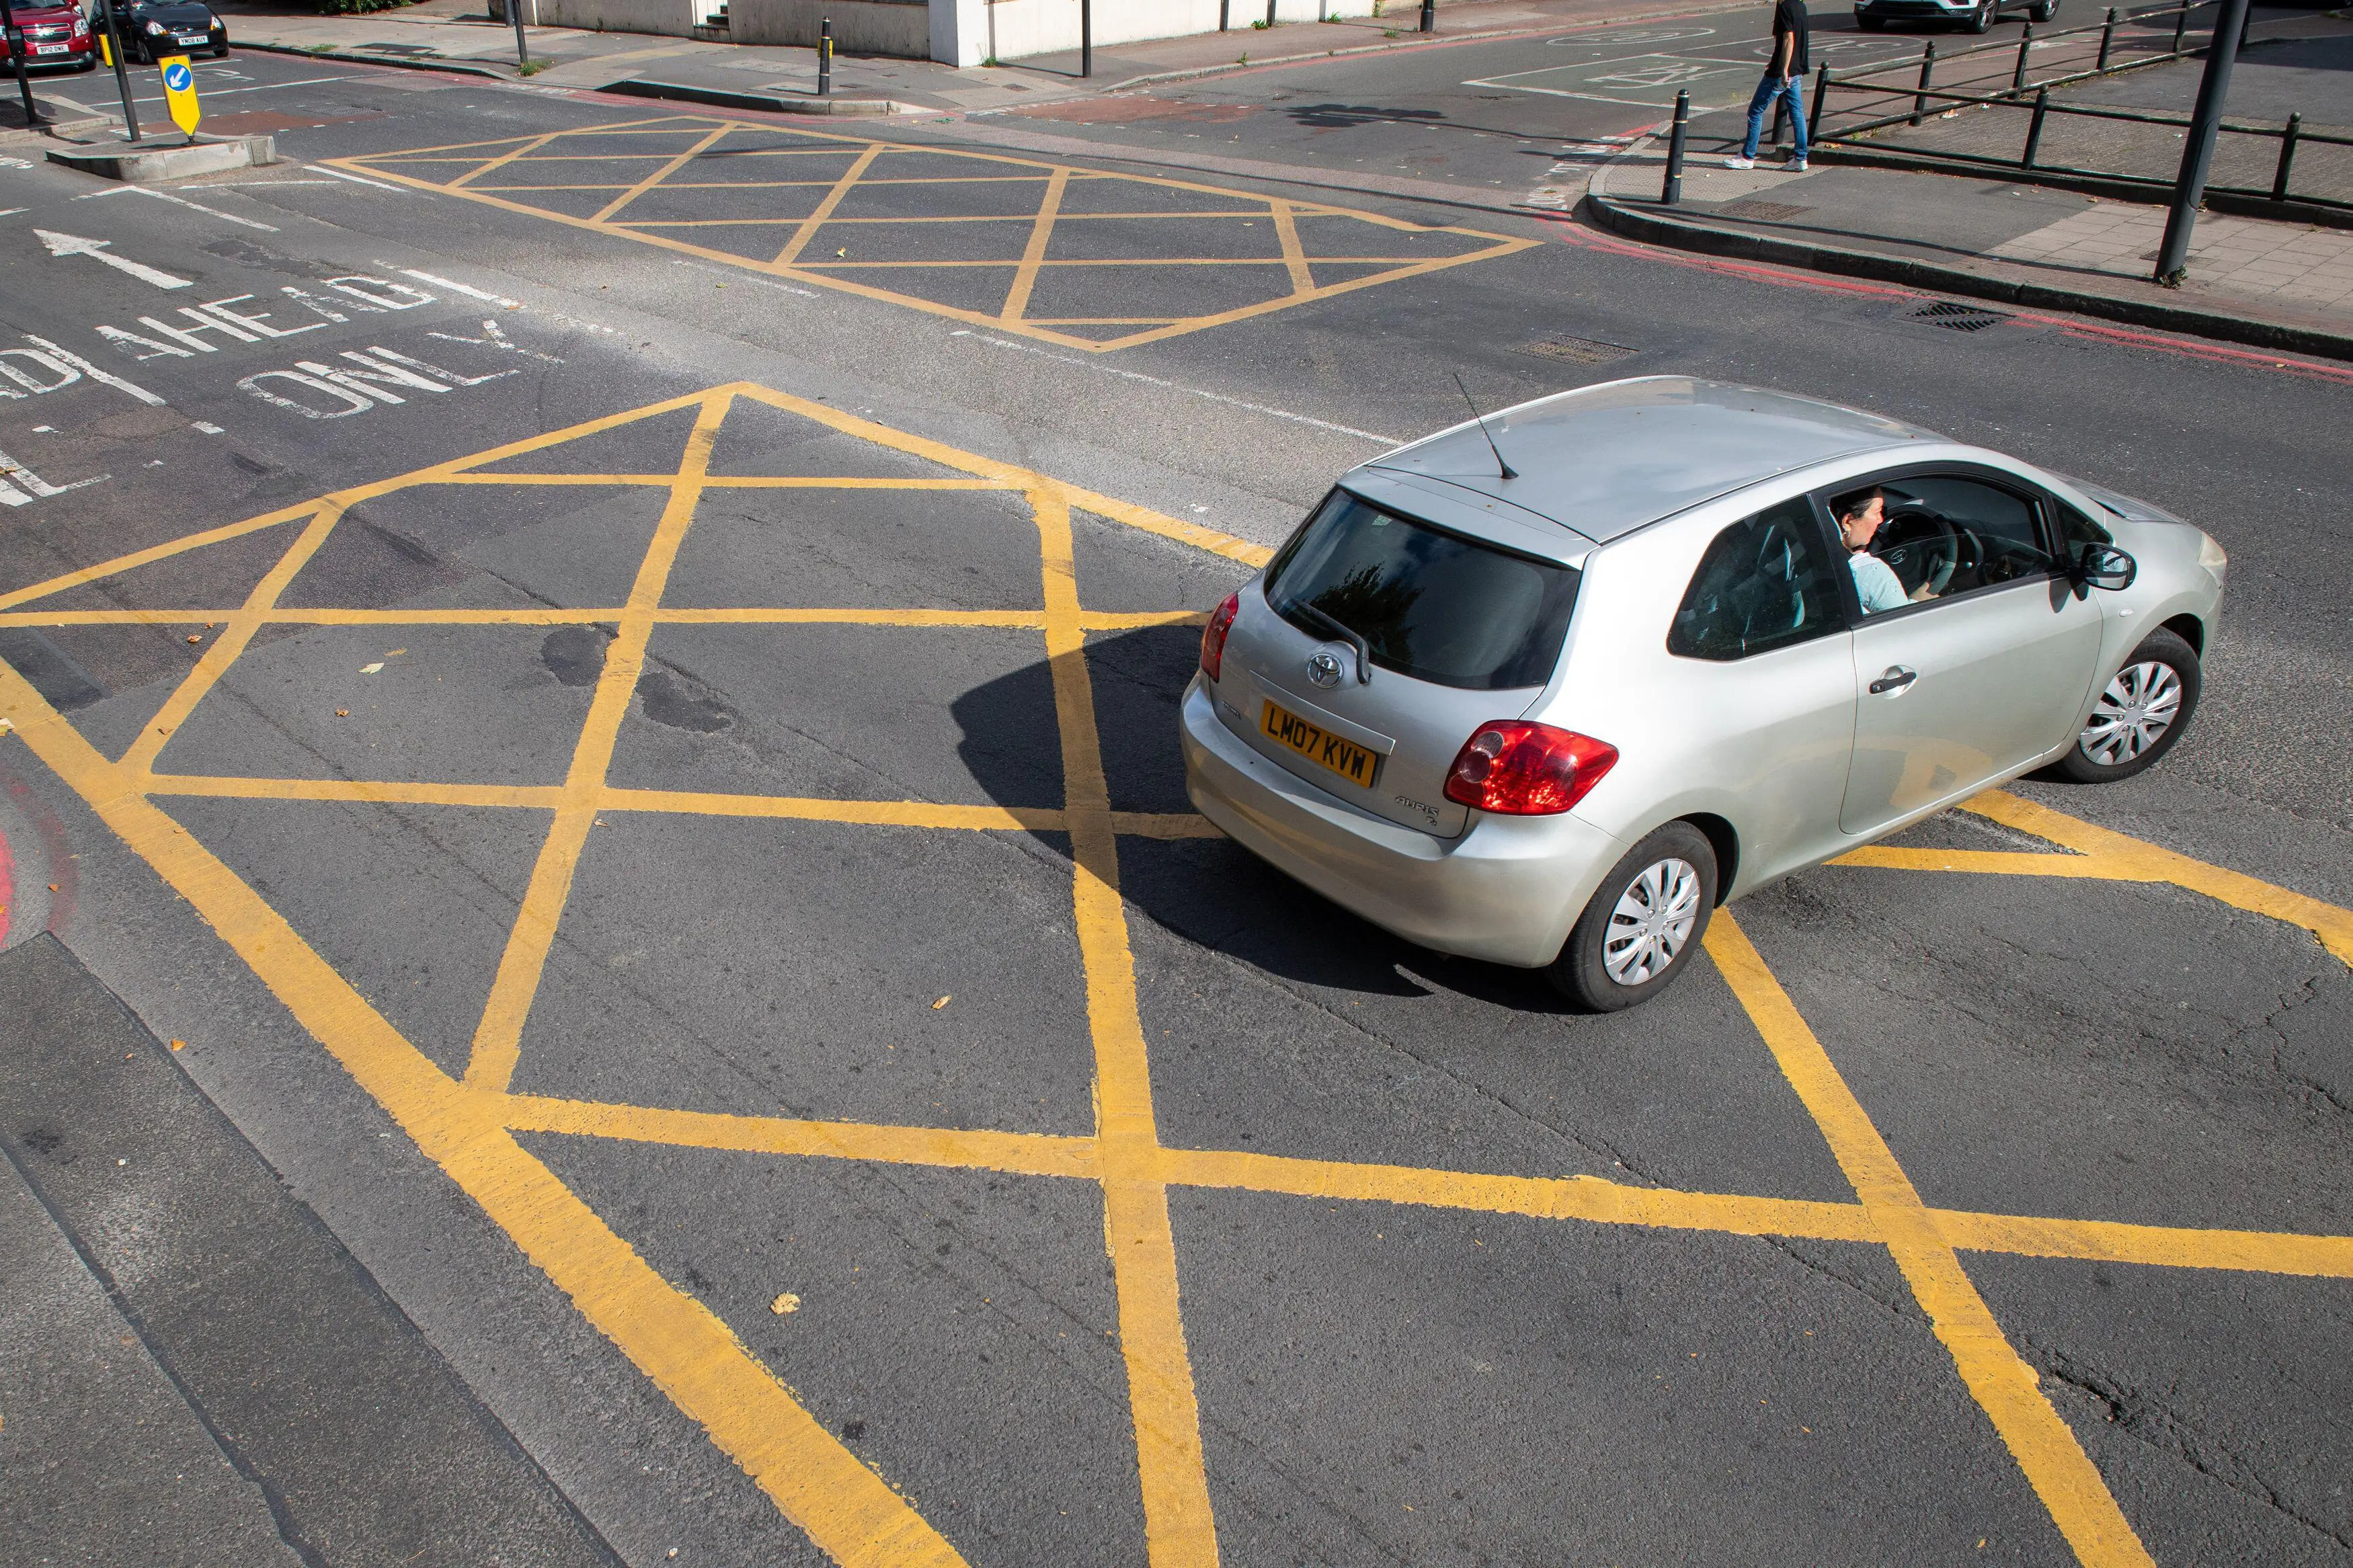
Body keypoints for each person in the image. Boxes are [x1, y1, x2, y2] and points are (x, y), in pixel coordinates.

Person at [1727, 0, 1810, 172]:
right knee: (1797, 114)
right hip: (1797, 70)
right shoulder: (1800, 6)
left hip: (1781, 73)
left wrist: (1783, 70)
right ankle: (1801, 158)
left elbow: (1789, 39)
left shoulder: (1785, 7)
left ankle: (1747, 156)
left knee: (1755, 111)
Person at [1835, 486, 1909, 614]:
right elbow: (1905, 621)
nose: (1881, 519)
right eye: (1876, 512)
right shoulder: (1870, 572)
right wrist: (1921, 597)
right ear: (1847, 521)